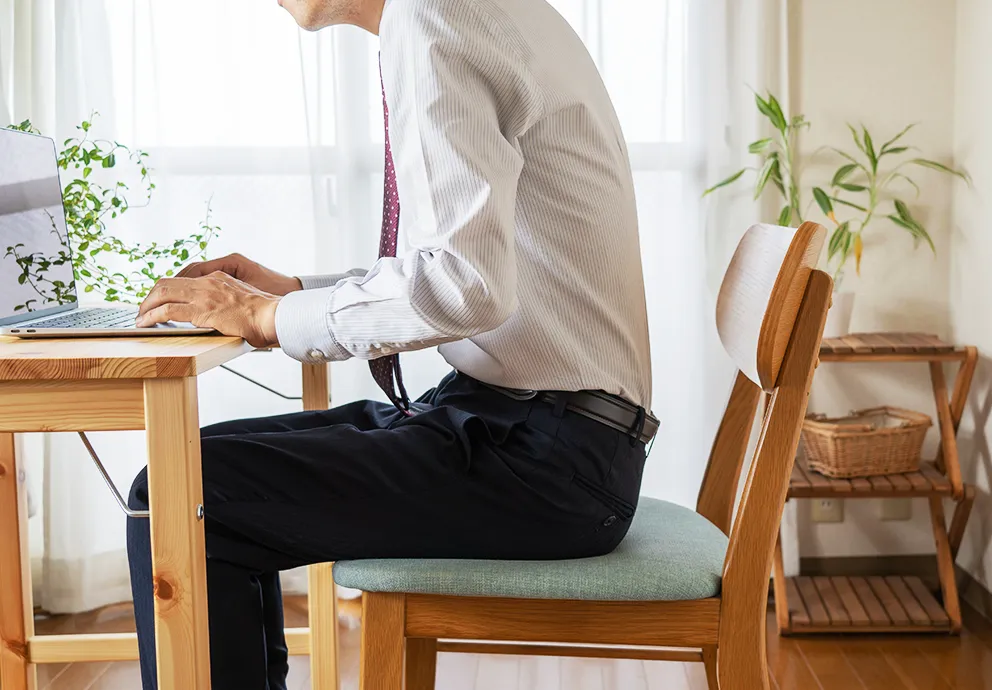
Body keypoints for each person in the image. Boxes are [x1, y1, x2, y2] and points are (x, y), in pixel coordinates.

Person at [126, 0, 656, 686]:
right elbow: (466, 261)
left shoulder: (438, 20)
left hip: (544, 462)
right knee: (189, 472)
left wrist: (269, 320)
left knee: (183, 498)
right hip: (540, 435)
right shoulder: (460, 11)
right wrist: (291, 294)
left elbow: (465, 287)